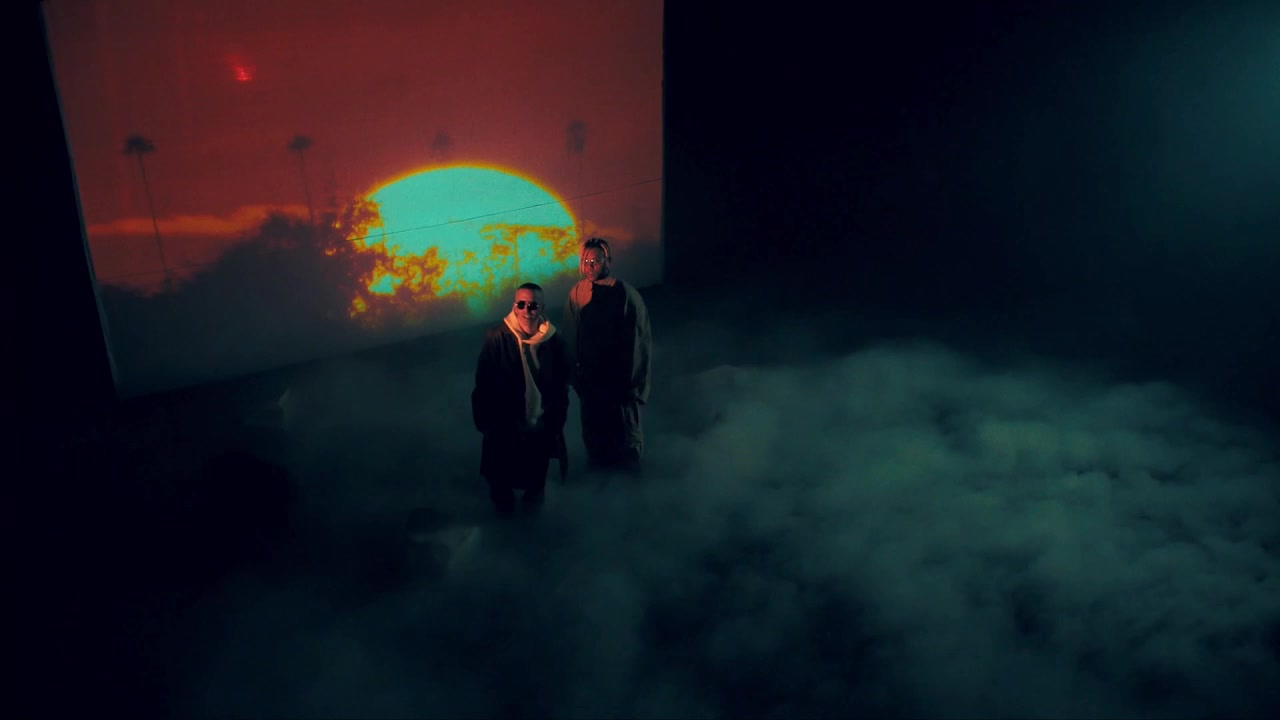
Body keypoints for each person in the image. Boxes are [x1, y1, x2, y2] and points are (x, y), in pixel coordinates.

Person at [471, 283, 570, 515]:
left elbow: (560, 385)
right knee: (501, 486)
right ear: (514, 307)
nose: (527, 310)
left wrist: (555, 422)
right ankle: (504, 527)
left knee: (535, 487)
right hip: (504, 426)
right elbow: (483, 384)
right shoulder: (497, 337)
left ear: (541, 308)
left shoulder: (553, 340)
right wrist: (486, 424)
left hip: (539, 427)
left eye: (533, 305)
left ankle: (532, 528)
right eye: (522, 304)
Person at [561, 237, 652, 471]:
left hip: (620, 381)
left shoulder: (625, 294)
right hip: (591, 380)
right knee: (595, 437)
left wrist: (634, 387)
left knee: (626, 437)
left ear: (607, 261)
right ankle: (599, 478)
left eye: (596, 261)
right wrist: (574, 376)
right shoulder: (578, 293)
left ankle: (630, 480)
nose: (590, 266)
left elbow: (639, 342)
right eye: (586, 261)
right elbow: (571, 336)